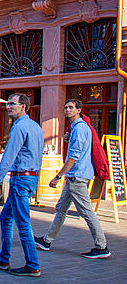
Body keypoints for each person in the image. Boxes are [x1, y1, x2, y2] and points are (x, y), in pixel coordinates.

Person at [35, 98, 110, 259]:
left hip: (77, 176)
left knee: (86, 211)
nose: (67, 110)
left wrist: (58, 176)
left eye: (71, 108)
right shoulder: (77, 127)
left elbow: (74, 156)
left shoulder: (80, 128)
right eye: (66, 107)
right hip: (74, 177)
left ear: (79, 110)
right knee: (61, 208)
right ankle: (47, 241)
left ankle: (102, 246)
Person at [0, 93, 44, 278]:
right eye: (8, 103)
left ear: (23, 107)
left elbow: (8, 156)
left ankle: (33, 265)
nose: (8, 107)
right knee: (6, 217)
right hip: (30, 177)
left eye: (13, 104)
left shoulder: (19, 127)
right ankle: (4, 258)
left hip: (21, 178)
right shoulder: (35, 127)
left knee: (23, 222)